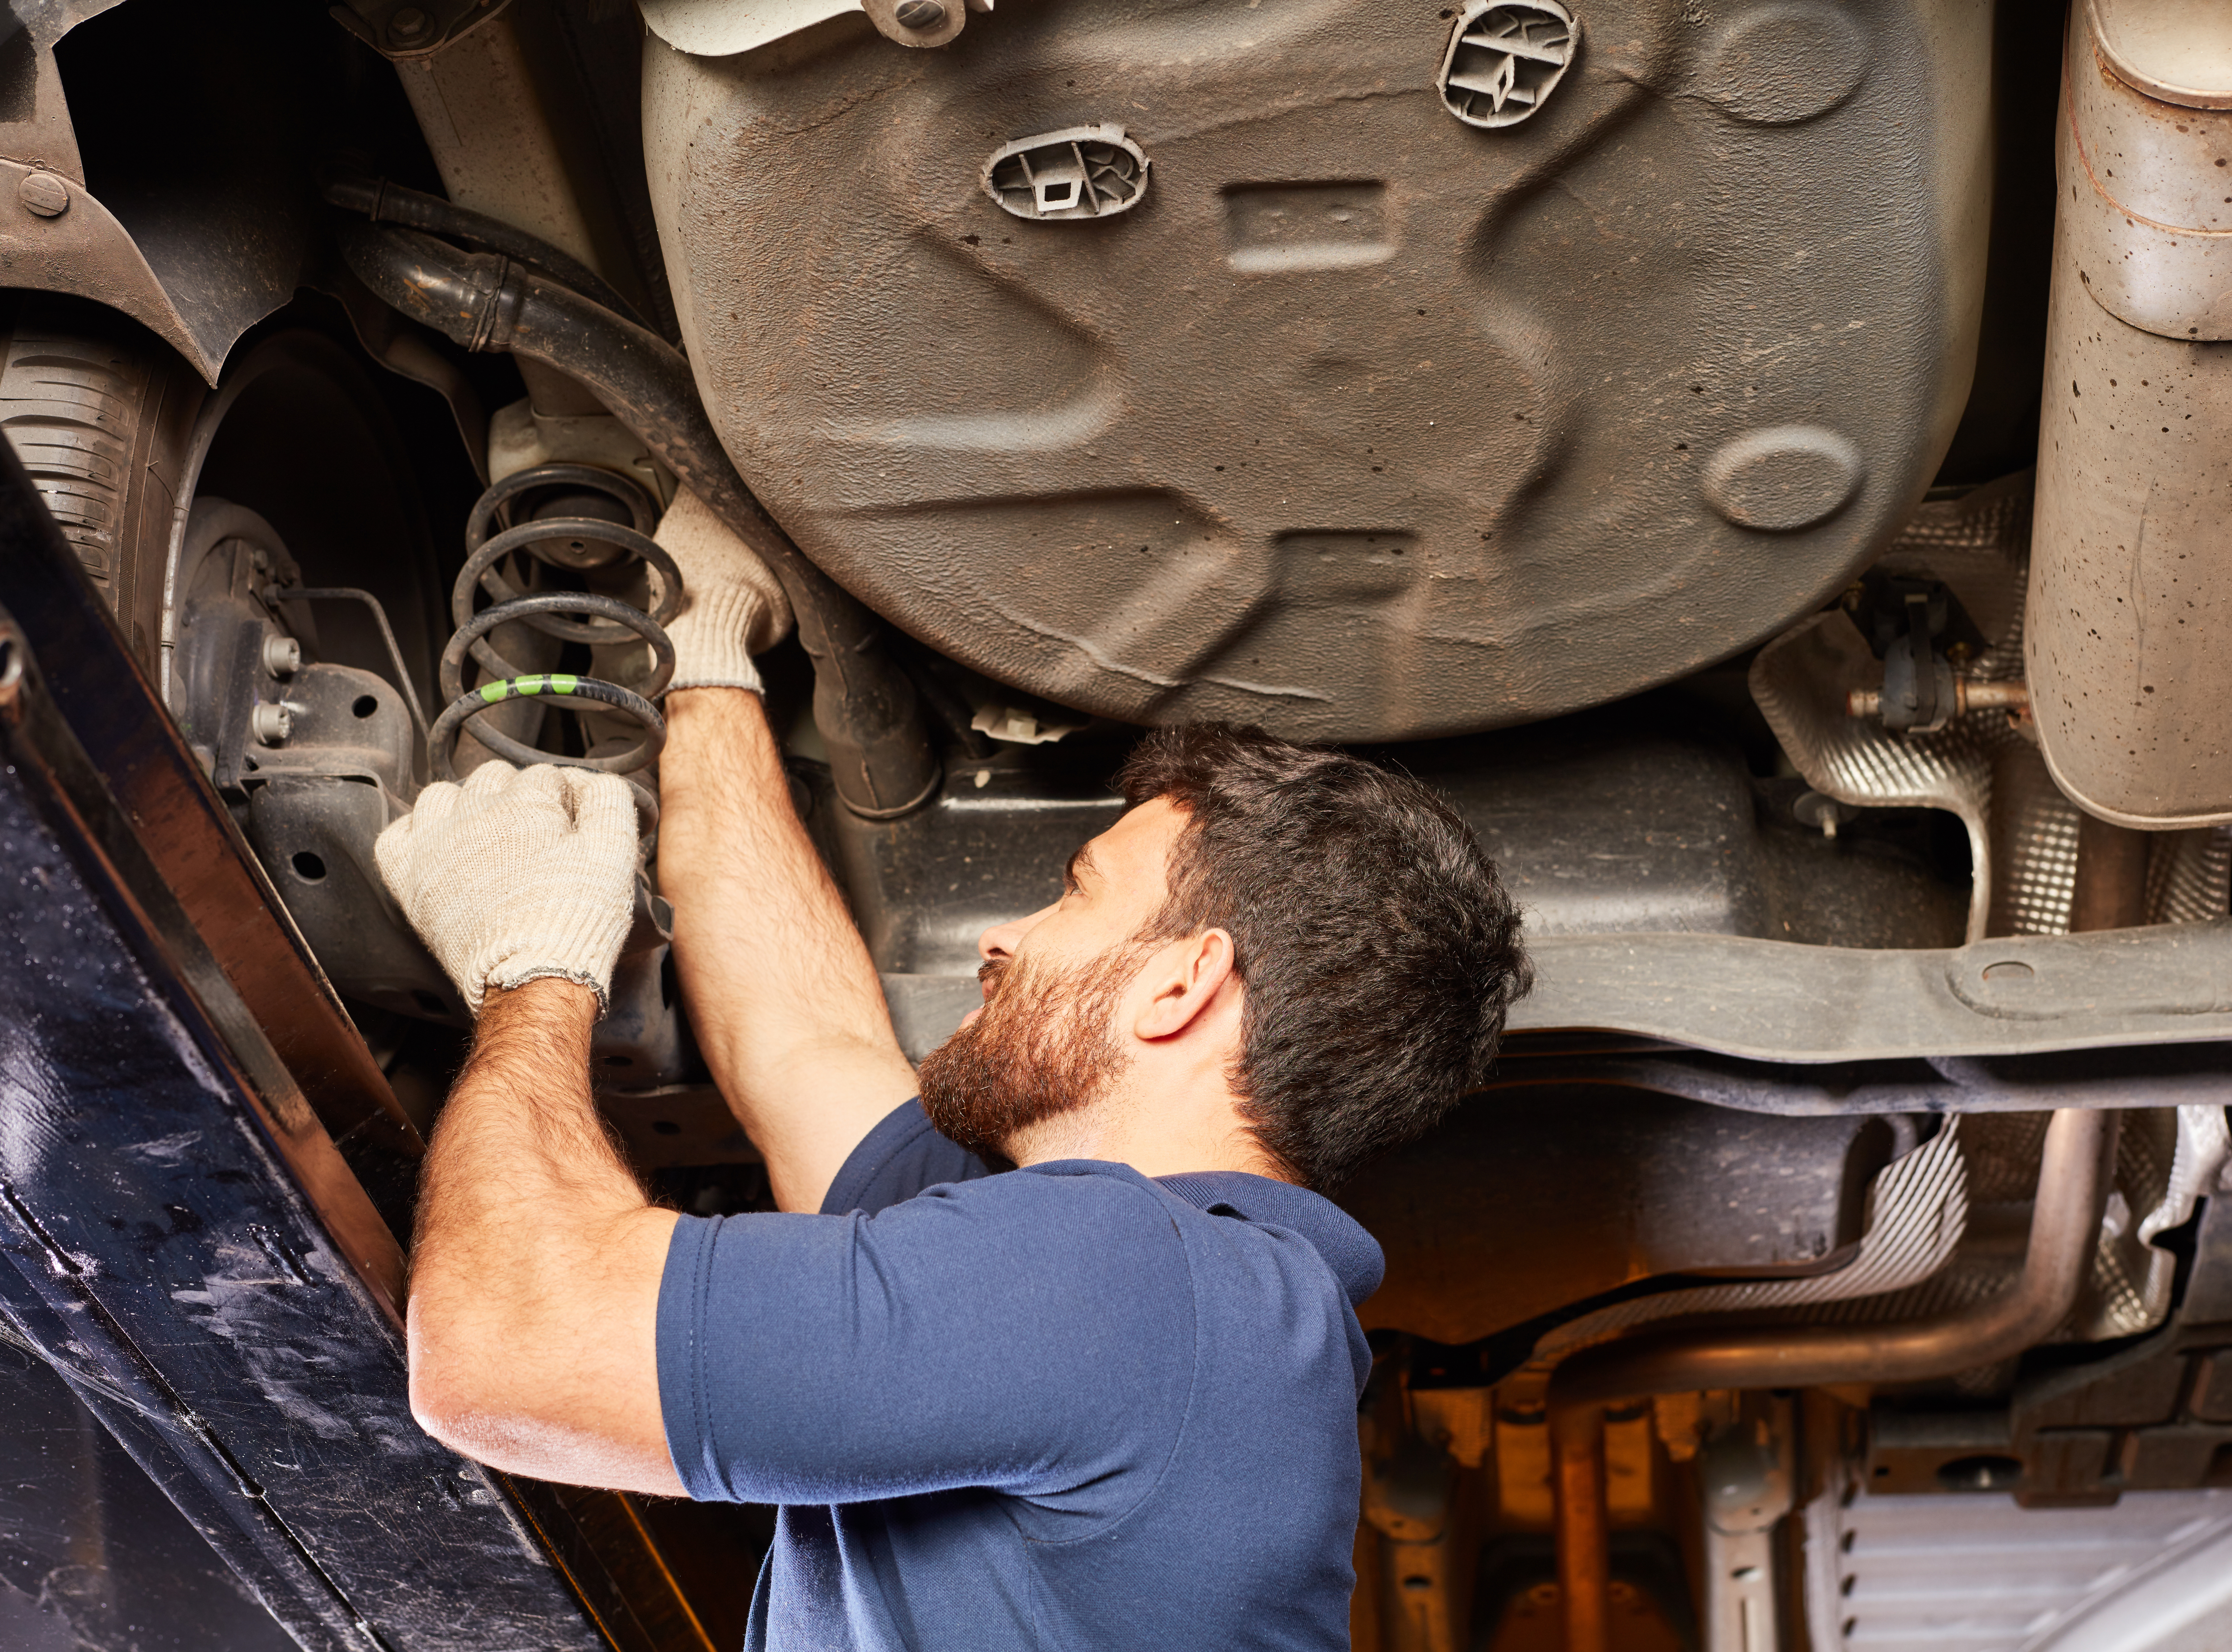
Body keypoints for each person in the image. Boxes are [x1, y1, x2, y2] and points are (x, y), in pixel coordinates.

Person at [373, 491, 1533, 1650]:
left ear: (1179, 985)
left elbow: (505, 1342)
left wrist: (533, 968)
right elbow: (801, 1044)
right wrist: (710, 649)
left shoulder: (1138, 1283)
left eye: (1073, 891)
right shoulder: (1199, 1302)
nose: (1003, 936)